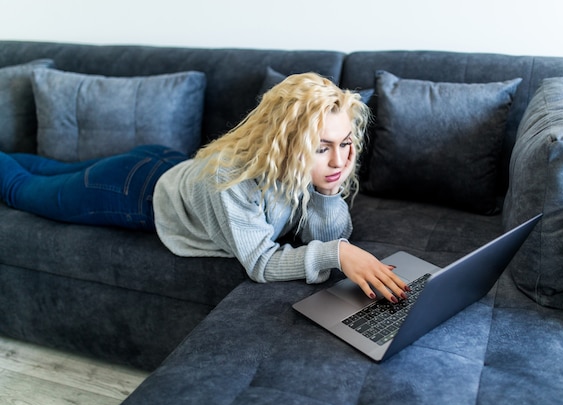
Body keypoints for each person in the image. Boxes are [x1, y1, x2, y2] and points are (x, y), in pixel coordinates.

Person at [0, 73, 408, 303]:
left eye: (345, 144)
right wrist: (336, 253)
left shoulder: (317, 170)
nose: (339, 161)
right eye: (322, 149)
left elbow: (326, 232)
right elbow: (261, 263)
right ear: (287, 144)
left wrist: (326, 190)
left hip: (167, 161)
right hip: (130, 189)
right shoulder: (232, 180)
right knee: (23, 190)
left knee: (57, 170)